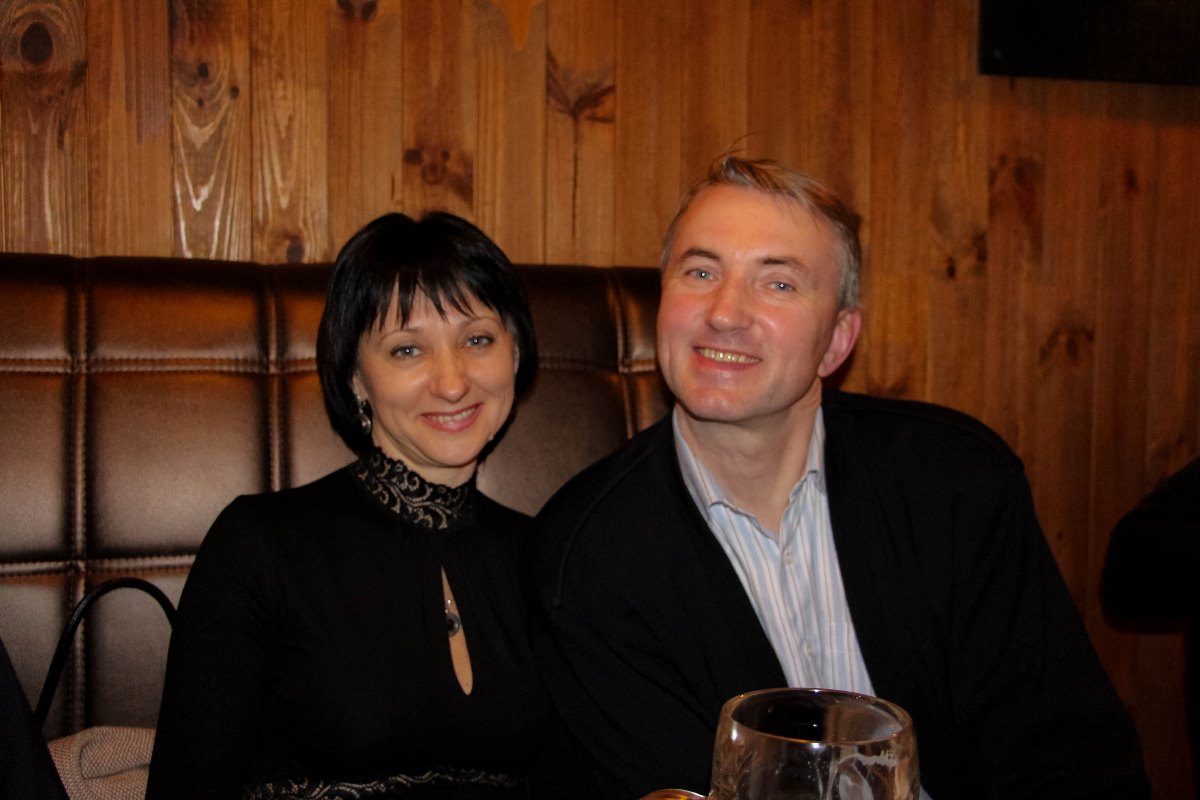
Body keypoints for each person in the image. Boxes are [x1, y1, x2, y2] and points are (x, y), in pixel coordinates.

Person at [526, 156, 1150, 799]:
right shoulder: (587, 556)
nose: (725, 312)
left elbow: (1070, 758)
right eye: (701, 272)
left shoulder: (956, 483)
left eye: (779, 283)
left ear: (837, 341)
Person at [147, 212, 553, 799]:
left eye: (477, 339)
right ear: (357, 378)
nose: (452, 382)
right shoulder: (261, 545)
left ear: (515, 353)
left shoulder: (551, 561)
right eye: (407, 349)